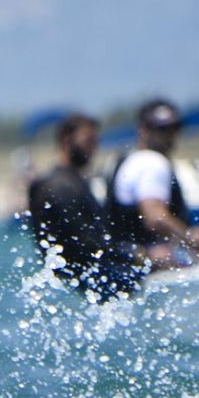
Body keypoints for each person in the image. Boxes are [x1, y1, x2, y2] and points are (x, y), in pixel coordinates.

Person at [26, 112, 135, 299]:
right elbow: (86, 242)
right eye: (88, 140)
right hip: (76, 283)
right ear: (66, 139)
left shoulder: (74, 181)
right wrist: (137, 254)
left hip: (86, 278)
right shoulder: (58, 186)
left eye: (96, 141)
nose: (93, 148)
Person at [106, 98, 199, 271]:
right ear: (143, 130)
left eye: (175, 127)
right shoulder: (152, 162)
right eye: (162, 129)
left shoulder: (129, 159)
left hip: (127, 265)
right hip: (152, 267)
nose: (169, 135)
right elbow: (155, 218)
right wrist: (191, 239)